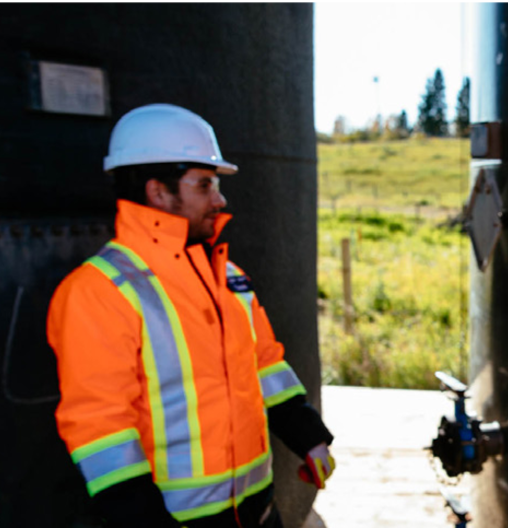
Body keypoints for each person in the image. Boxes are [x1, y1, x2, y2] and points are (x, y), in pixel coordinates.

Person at [48, 104, 335, 528]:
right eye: (204, 185)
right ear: (157, 191)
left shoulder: (229, 277)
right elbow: (100, 427)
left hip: (259, 511)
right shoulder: (98, 291)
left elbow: (265, 366)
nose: (220, 199)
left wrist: (308, 438)